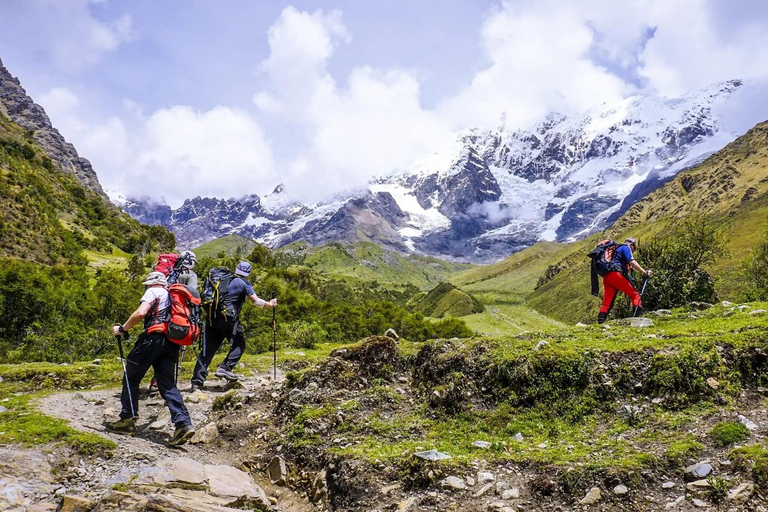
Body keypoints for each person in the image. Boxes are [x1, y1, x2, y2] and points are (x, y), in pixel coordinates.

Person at [106, 271, 196, 445]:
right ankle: (183, 424)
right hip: (172, 343)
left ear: (151, 283)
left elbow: (141, 313)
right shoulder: (173, 297)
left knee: (131, 376)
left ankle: (127, 420)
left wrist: (122, 329)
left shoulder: (154, 291)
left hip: (153, 339)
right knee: (168, 385)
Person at [191, 261, 277, 389]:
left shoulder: (223, 279)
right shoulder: (244, 283)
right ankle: (225, 367)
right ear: (248, 273)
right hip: (229, 318)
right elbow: (255, 301)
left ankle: (197, 382)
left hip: (211, 317)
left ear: (236, 269)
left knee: (207, 350)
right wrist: (270, 304)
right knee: (239, 344)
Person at [149, 250, 198, 394]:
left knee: (158, 350)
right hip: (178, 318)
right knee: (172, 351)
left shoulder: (169, 274)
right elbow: (193, 295)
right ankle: (166, 384)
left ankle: (155, 381)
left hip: (160, 317)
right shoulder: (191, 275)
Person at [597, 237, 652, 323]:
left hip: (607, 277)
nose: (633, 250)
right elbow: (631, 261)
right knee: (635, 295)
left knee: (607, 302)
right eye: (634, 248)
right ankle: (639, 318)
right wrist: (644, 272)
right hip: (617, 275)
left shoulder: (614, 250)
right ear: (632, 244)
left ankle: (601, 321)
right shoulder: (626, 247)